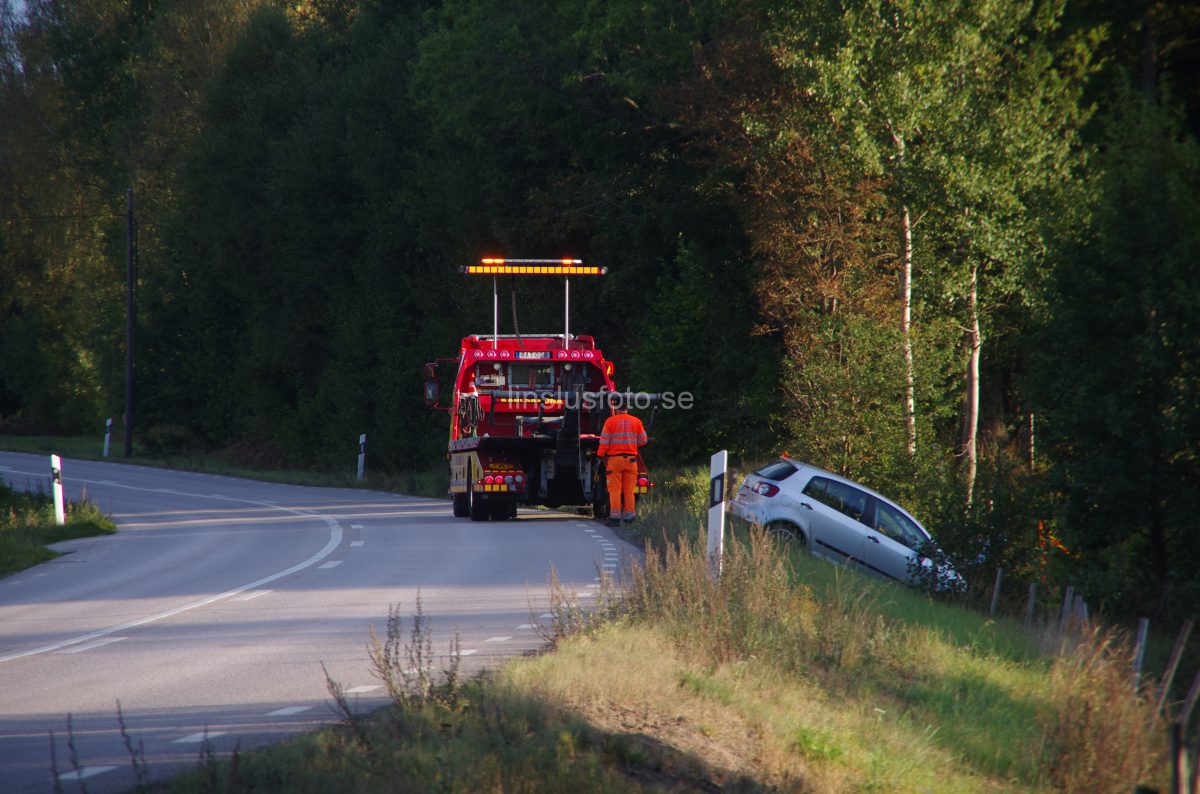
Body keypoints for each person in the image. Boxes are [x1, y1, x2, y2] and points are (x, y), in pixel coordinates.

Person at [597, 399, 648, 527]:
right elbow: (643, 441)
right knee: (629, 490)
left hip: (614, 461)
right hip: (631, 461)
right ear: (627, 408)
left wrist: (600, 455)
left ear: (615, 409)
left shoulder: (610, 421)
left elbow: (604, 442)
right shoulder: (636, 421)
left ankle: (615, 518)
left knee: (615, 490)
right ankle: (629, 517)